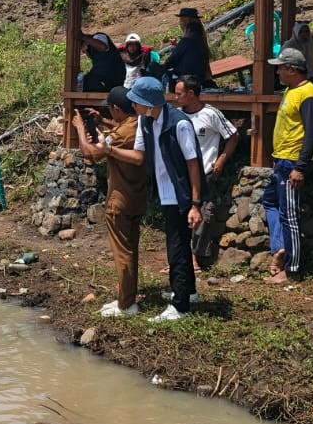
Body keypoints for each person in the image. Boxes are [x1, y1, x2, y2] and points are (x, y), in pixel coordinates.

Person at [127, 75, 203, 320]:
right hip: (164, 192)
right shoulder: (146, 122)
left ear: (149, 104)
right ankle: (188, 292)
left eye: (136, 102)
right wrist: (106, 148)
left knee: (177, 248)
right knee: (178, 243)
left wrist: (195, 204)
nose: (133, 106)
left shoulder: (178, 124)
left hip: (181, 194)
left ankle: (180, 306)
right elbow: (138, 155)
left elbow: (193, 164)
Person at [73, 86, 148, 316]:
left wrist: (78, 129)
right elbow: (120, 132)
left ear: (117, 108)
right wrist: (102, 122)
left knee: (122, 252)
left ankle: (126, 304)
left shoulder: (122, 134)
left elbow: (91, 154)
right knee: (130, 249)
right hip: (137, 198)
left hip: (119, 200)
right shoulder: (139, 125)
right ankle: (127, 297)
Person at [262, 48, 313, 284]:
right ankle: (280, 248)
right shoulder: (290, 91)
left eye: (280, 68)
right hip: (282, 160)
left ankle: (292, 269)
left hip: (293, 162)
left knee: (290, 216)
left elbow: (312, 132)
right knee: (269, 200)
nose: (277, 72)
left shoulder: (308, 94)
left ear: (292, 70)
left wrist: (301, 167)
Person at [172, 75, 240, 265]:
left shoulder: (211, 114)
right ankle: (180, 255)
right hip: (182, 173)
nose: (175, 98)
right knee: (179, 213)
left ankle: (195, 256)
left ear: (191, 94)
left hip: (205, 172)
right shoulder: (176, 114)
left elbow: (233, 135)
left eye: (179, 94)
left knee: (203, 213)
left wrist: (222, 159)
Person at [160, 9, 211, 84]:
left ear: (186, 22)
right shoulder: (201, 41)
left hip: (184, 82)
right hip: (198, 81)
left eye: (181, 20)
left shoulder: (186, 41)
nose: (180, 23)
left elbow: (170, 62)